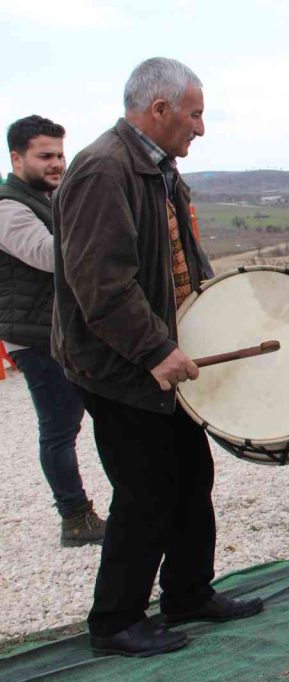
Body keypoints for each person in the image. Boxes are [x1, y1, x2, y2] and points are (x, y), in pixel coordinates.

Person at [52, 58, 263, 658]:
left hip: (161, 353)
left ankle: (188, 593)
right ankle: (115, 621)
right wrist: (154, 349)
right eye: (194, 114)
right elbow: (101, 284)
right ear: (160, 109)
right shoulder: (103, 169)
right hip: (119, 365)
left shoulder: (160, 168)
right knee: (145, 489)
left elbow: (180, 261)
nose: (201, 128)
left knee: (191, 476)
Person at [0, 115, 106, 547]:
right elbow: (48, 254)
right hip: (35, 336)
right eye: (45, 155)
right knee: (60, 429)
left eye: (60, 155)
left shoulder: (45, 198)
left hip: (57, 329)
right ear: (17, 158)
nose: (57, 163)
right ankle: (75, 518)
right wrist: (103, 235)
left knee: (83, 419)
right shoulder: (8, 207)